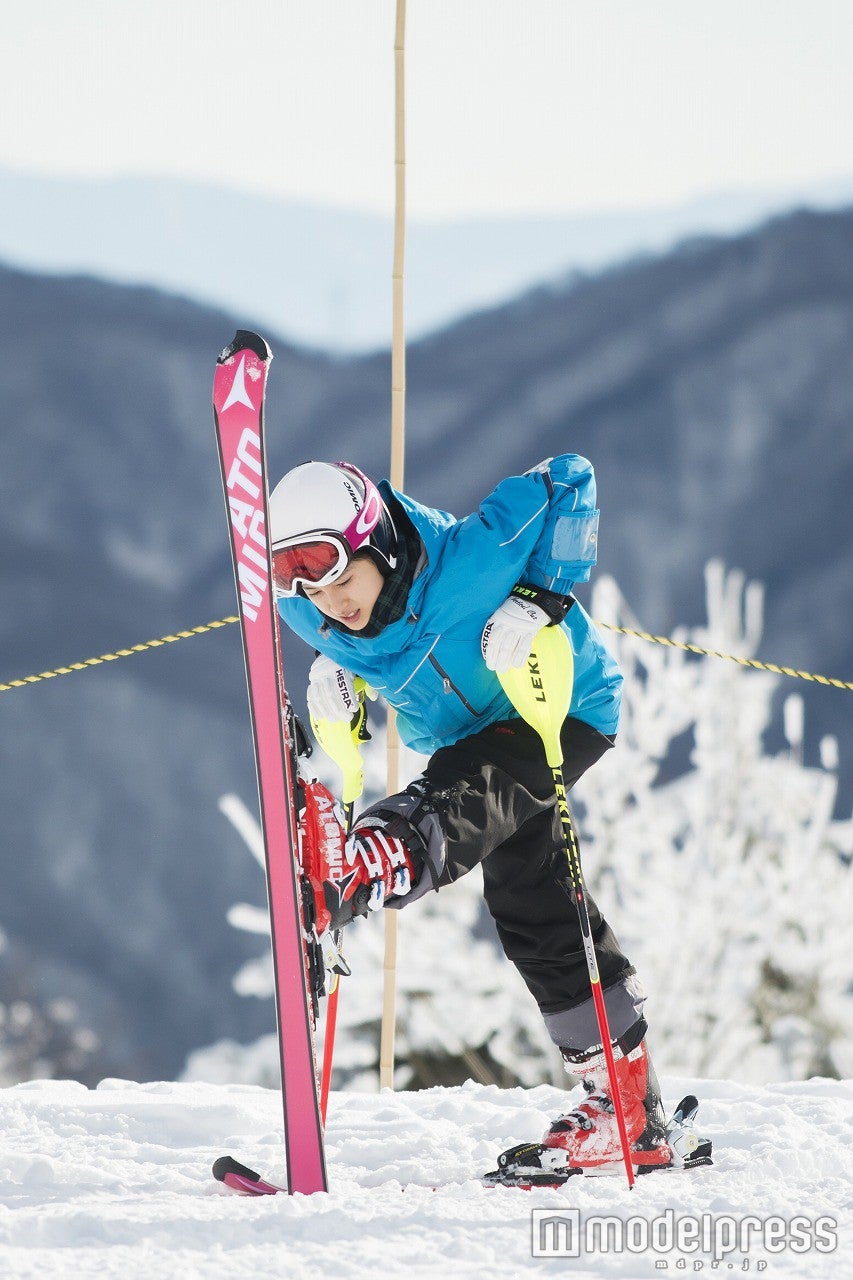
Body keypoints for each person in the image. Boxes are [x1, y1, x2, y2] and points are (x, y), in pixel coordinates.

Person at [269, 457, 704, 1179]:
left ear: (378, 544)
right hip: (467, 739)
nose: (331, 603)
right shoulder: (308, 610)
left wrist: (538, 596)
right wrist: (336, 668)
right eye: (311, 591)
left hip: (561, 710)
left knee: (468, 792)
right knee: (530, 904)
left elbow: (571, 478)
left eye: (341, 579)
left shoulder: (472, 557)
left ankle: (377, 858)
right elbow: (345, 632)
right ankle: (629, 1112)